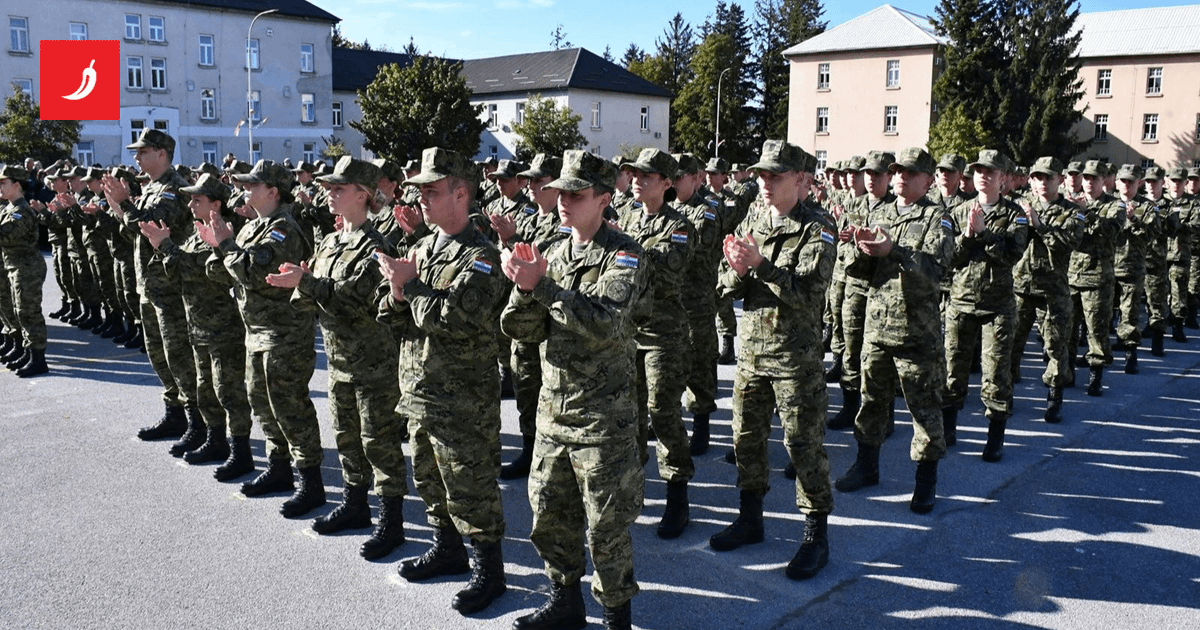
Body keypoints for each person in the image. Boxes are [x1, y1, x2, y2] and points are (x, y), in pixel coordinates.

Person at [500, 149, 648, 630]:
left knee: (606, 527)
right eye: (561, 192)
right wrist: (523, 290)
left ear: (604, 199)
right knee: (549, 516)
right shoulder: (553, 252)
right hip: (554, 412)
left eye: (577, 194)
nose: (564, 201)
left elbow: (604, 322)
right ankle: (564, 599)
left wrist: (541, 287)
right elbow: (519, 329)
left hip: (604, 419)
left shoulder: (625, 254)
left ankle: (614, 616)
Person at [377, 147, 507, 615]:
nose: (423, 201)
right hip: (419, 389)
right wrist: (396, 293)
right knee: (431, 481)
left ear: (460, 193)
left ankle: (489, 572)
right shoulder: (425, 247)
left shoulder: (483, 256)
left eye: (432, 191)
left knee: (471, 487)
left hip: (463, 399)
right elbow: (391, 316)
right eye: (420, 191)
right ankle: (446, 549)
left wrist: (408, 288)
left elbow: (456, 318)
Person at [267, 156, 409, 560]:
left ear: (362, 195)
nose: (329, 193)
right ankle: (355, 505)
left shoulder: (376, 245)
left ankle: (391, 522)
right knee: (346, 437)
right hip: (339, 358)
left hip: (372, 363)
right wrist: (297, 282)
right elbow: (313, 293)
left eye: (339, 188)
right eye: (328, 187)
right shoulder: (330, 241)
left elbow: (354, 300)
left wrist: (307, 281)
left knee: (378, 442)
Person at [708, 140, 836, 581]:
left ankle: (816, 535)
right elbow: (725, 283)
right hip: (753, 354)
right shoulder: (754, 218)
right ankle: (751, 519)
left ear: (801, 180)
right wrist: (737, 271)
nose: (764, 182)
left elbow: (807, 295)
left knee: (802, 447)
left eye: (775, 175)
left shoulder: (818, 228)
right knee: (745, 441)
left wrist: (759, 265)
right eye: (761, 174)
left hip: (795, 359)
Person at [196, 159, 326, 518]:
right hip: (256, 333)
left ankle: (311, 484)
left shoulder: (283, 230)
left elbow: (251, 273)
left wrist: (225, 246)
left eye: (252, 185)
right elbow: (222, 273)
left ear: (272, 191)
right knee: (263, 405)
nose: (244, 190)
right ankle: (279, 468)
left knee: (290, 408)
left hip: (284, 334)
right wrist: (222, 247)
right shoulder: (255, 228)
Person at [832, 147, 952, 513]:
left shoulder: (937, 217)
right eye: (897, 170)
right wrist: (855, 248)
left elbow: (937, 268)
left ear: (928, 180)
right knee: (871, 403)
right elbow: (857, 271)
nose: (900, 176)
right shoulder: (878, 211)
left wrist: (893, 250)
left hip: (917, 331)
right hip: (878, 328)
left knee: (923, 407)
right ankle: (866, 466)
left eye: (910, 172)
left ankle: (925, 481)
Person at [138, 173, 254, 478]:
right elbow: (177, 272)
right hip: (198, 322)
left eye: (197, 199)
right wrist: (166, 248)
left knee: (229, 391)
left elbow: (199, 270)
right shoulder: (195, 231)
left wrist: (165, 246)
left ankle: (241, 451)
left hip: (222, 325)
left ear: (215, 204)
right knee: (205, 387)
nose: (190, 204)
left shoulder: (226, 233)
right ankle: (214, 439)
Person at [102, 129, 201, 449]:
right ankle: (174, 414)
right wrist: (119, 207)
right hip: (150, 284)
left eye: (143, 151)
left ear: (162, 153)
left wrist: (124, 204)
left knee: (179, 357)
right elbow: (131, 229)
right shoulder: (151, 188)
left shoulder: (174, 190)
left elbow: (150, 226)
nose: (136, 157)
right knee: (158, 354)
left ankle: (198, 422)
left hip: (171, 286)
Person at [616, 148, 696, 540]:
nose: (637, 180)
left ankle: (677, 498)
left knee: (662, 413)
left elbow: (663, 269)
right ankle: (633, 490)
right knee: (630, 414)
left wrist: (624, 253)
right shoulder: (626, 217)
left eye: (647, 176)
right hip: (630, 332)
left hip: (663, 334)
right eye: (635, 174)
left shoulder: (679, 226)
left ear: (666, 183)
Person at [941, 150, 1029, 462]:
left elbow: (1011, 256)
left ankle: (995, 438)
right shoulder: (958, 210)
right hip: (961, 301)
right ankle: (948, 428)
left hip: (997, 305)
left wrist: (985, 235)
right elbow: (949, 258)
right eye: (979, 170)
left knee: (996, 373)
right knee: (953, 369)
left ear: (1003, 178)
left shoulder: (1015, 215)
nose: (983, 176)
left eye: (991, 172)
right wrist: (967, 236)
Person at [488, 153, 568, 479]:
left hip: (547, 323)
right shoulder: (531, 218)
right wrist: (509, 239)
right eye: (530, 180)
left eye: (539, 180)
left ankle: (550, 458)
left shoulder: (563, 224)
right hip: (522, 320)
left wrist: (512, 240)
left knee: (549, 396)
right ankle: (528, 449)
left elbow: (542, 263)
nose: (532, 185)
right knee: (525, 388)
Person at [1010, 157, 1084, 423]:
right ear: (1031, 180)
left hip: (1052, 289)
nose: (1042, 182)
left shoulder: (1072, 212)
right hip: (1020, 287)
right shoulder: (1019, 206)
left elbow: (1068, 244)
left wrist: (1039, 225)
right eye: (1037, 177)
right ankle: (1005, 393)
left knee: (1055, 345)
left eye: (1048, 177)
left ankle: (1054, 397)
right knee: (1011, 342)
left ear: (1060, 180)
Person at [827, 151, 894, 431]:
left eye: (877, 174)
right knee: (851, 349)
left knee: (880, 355)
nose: (871, 178)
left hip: (884, 290)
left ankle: (885, 413)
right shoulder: (854, 206)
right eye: (868, 173)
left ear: (889, 176)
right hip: (854, 286)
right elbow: (840, 245)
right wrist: (853, 244)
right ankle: (850, 405)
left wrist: (875, 245)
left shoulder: (895, 209)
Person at [673, 153, 723, 455]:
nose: (674, 182)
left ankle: (701, 425)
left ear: (695, 178)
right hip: (670, 300)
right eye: (671, 177)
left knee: (699, 362)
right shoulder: (666, 209)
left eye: (679, 177)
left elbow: (696, 254)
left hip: (697, 298)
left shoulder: (705, 213)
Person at [1067, 160, 1125, 396]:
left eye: (1094, 178)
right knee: (1068, 330)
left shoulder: (1115, 205)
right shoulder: (1069, 202)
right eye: (1086, 178)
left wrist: (1086, 214)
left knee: (1097, 330)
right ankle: (1067, 371)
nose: (1089, 182)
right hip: (1071, 277)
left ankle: (1095, 376)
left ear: (1104, 181)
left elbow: (1113, 229)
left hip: (1098, 279)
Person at [0, 165, 50, 377]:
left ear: (17, 185)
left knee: (28, 313)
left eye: (3, 183)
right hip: (15, 266)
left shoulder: (22, 211)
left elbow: (6, 235)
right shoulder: (9, 208)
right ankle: (25, 351)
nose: (0, 187)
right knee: (18, 311)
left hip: (27, 269)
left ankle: (38, 359)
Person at [1111, 164, 1160, 374]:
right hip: (1106, 269)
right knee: (1102, 315)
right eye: (1123, 180)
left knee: (1129, 315)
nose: (1127, 185)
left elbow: (1153, 233)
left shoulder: (1148, 207)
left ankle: (1131, 354)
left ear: (1139, 183)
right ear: (1116, 182)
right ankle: (1099, 353)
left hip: (1132, 268)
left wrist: (1133, 219)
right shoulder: (1110, 204)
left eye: (1131, 181)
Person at [1141, 166, 1173, 355]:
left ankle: (1158, 340)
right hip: (1133, 260)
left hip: (1156, 260)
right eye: (1149, 181)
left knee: (1157, 301)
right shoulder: (1137, 203)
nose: (1152, 184)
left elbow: (1172, 229)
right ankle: (1127, 339)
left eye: (1156, 181)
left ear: (1163, 182)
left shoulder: (1169, 206)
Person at [1163, 167, 1194, 342]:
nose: (1176, 184)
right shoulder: (1161, 201)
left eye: (1179, 181)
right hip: (1158, 254)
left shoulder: (1193, 203)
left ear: (1185, 183)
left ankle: (1178, 326)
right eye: (1173, 180)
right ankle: (1156, 325)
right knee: (1157, 292)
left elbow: (1196, 225)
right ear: (1167, 182)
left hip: (1180, 253)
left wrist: (1175, 223)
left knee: (1179, 291)